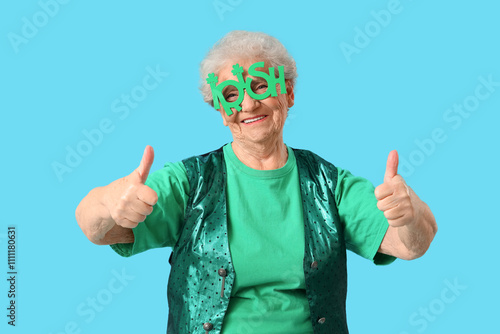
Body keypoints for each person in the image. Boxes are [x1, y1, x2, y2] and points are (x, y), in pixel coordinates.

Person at [75, 30, 437, 334]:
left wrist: (410, 215)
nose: (247, 104)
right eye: (231, 94)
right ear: (220, 109)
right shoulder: (190, 182)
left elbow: (411, 245)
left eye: (261, 85)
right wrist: (109, 203)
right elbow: (95, 227)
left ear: (289, 93)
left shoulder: (329, 184)